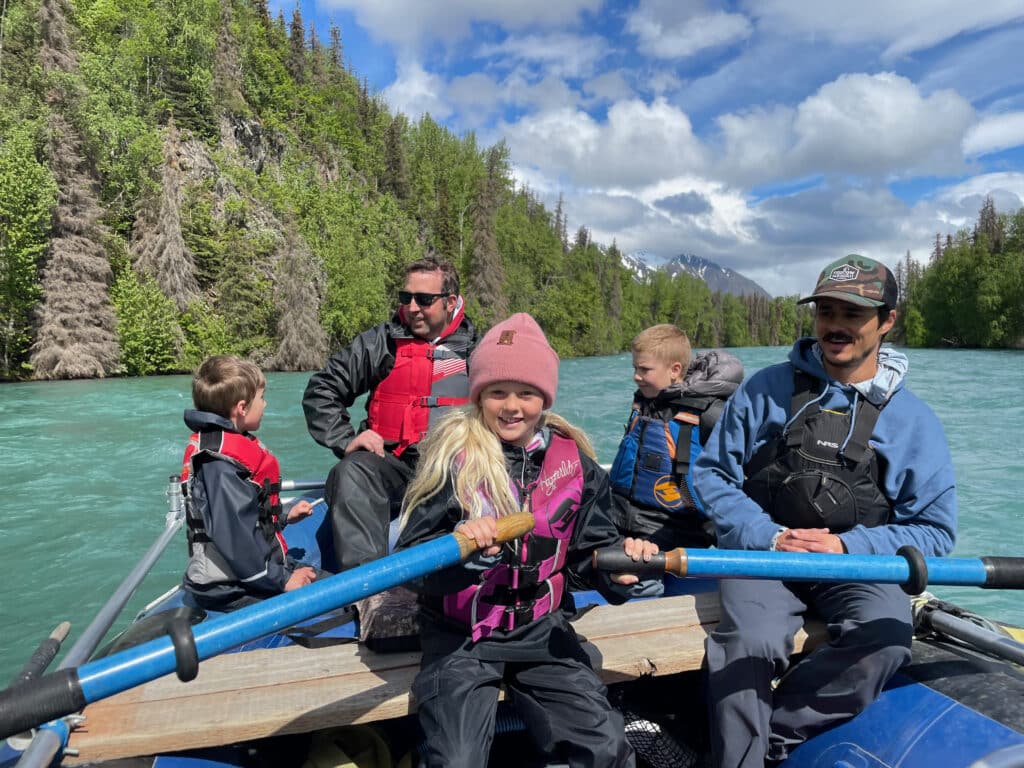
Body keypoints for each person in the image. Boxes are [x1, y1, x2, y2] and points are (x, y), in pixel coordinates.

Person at [692, 255, 958, 767]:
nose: (836, 325)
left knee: (886, 640)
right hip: (764, 556)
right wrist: (766, 535)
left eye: (853, 314)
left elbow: (934, 530)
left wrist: (847, 547)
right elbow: (711, 476)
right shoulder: (763, 390)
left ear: (887, 322)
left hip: (856, 564)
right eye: (826, 311)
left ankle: (771, 740)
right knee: (750, 642)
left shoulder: (914, 421)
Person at [396, 313, 663, 768]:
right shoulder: (451, 460)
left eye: (526, 393)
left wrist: (618, 573)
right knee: (457, 761)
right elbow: (411, 563)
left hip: (542, 629)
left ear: (544, 397)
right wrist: (462, 549)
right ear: (479, 396)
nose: (512, 406)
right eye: (497, 392)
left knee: (605, 749)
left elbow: (583, 557)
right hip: (463, 637)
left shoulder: (573, 462)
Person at [303, 256, 477, 572]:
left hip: (453, 469)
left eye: (424, 300)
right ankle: (368, 590)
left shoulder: (477, 348)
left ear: (450, 302)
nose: (411, 307)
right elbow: (322, 390)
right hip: (393, 465)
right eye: (405, 297)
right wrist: (346, 438)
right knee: (351, 471)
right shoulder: (382, 342)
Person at [181, 355, 317, 611]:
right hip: (232, 588)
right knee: (337, 602)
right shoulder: (219, 466)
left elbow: (241, 514)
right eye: (262, 399)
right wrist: (285, 579)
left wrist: (285, 515)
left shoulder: (223, 453)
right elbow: (237, 539)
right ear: (242, 408)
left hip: (245, 578)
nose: (264, 405)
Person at [609, 324, 743, 550]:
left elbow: (732, 478)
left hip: (676, 530)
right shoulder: (645, 402)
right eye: (635, 368)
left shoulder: (709, 415)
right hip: (620, 517)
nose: (636, 377)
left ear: (674, 370)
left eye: (644, 370)